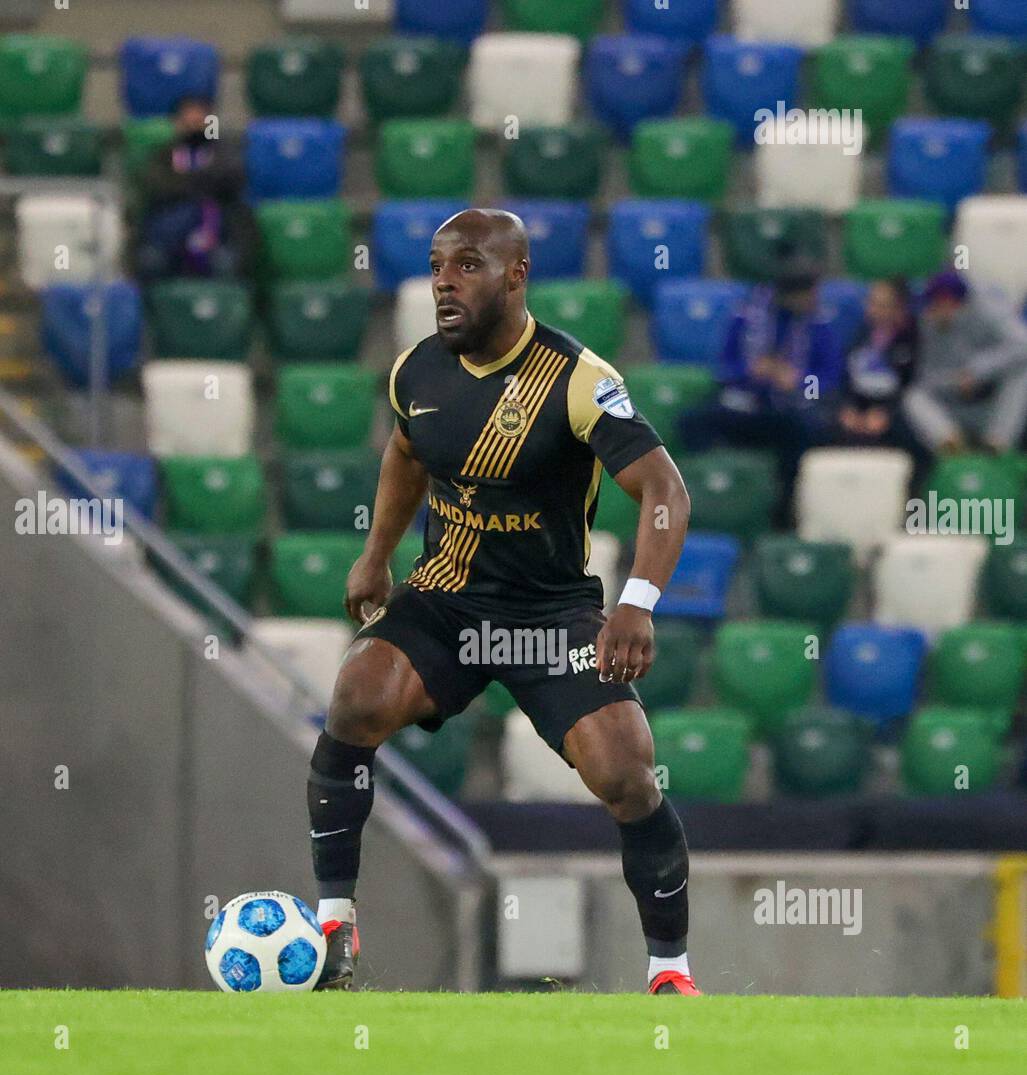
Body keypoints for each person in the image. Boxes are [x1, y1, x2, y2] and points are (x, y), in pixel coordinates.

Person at [308, 208, 698, 997]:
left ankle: (669, 971)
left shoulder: (579, 381)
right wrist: (375, 557)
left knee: (627, 774)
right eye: (436, 265)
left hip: (549, 617)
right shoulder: (415, 371)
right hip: (446, 602)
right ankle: (332, 926)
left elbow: (663, 488)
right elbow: (407, 453)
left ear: (516, 275)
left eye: (467, 266)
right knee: (355, 699)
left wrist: (637, 603)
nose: (443, 282)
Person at [681, 260, 843, 522]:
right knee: (692, 422)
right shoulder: (745, 318)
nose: (813, 299)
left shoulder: (819, 327)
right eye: (808, 293)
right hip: (745, 406)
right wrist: (751, 371)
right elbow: (724, 369)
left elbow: (830, 379)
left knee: (803, 432)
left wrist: (798, 381)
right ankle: (715, 498)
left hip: (788, 413)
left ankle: (783, 513)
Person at [903, 271, 1027, 456]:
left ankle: (997, 447)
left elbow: (1022, 345)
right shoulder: (928, 324)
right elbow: (926, 379)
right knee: (914, 397)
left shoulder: (988, 310)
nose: (931, 310)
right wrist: (954, 380)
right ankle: (952, 448)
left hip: (991, 403)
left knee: (1022, 372)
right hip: (953, 405)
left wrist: (977, 372)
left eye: (936, 303)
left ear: (949, 301)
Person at [135, 94, 254, 281]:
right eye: (188, 118)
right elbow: (157, 186)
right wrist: (202, 184)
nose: (194, 123)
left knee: (227, 263)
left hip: (218, 235)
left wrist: (183, 183)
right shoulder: (162, 156)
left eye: (200, 119)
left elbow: (231, 181)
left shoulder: (225, 154)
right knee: (151, 260)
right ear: (177, 123)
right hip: (170, 236)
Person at [831, 277, 930, 491]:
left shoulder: (915, 338)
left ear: (900, 309)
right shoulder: (860, 334)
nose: (874, 310)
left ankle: (908, 506)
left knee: (911, 440)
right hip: (860, 409)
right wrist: (847, 409)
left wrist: (886, 413)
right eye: (871, 303)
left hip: (898, 412)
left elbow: (915, 386)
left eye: (882, 305)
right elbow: (844, 378)